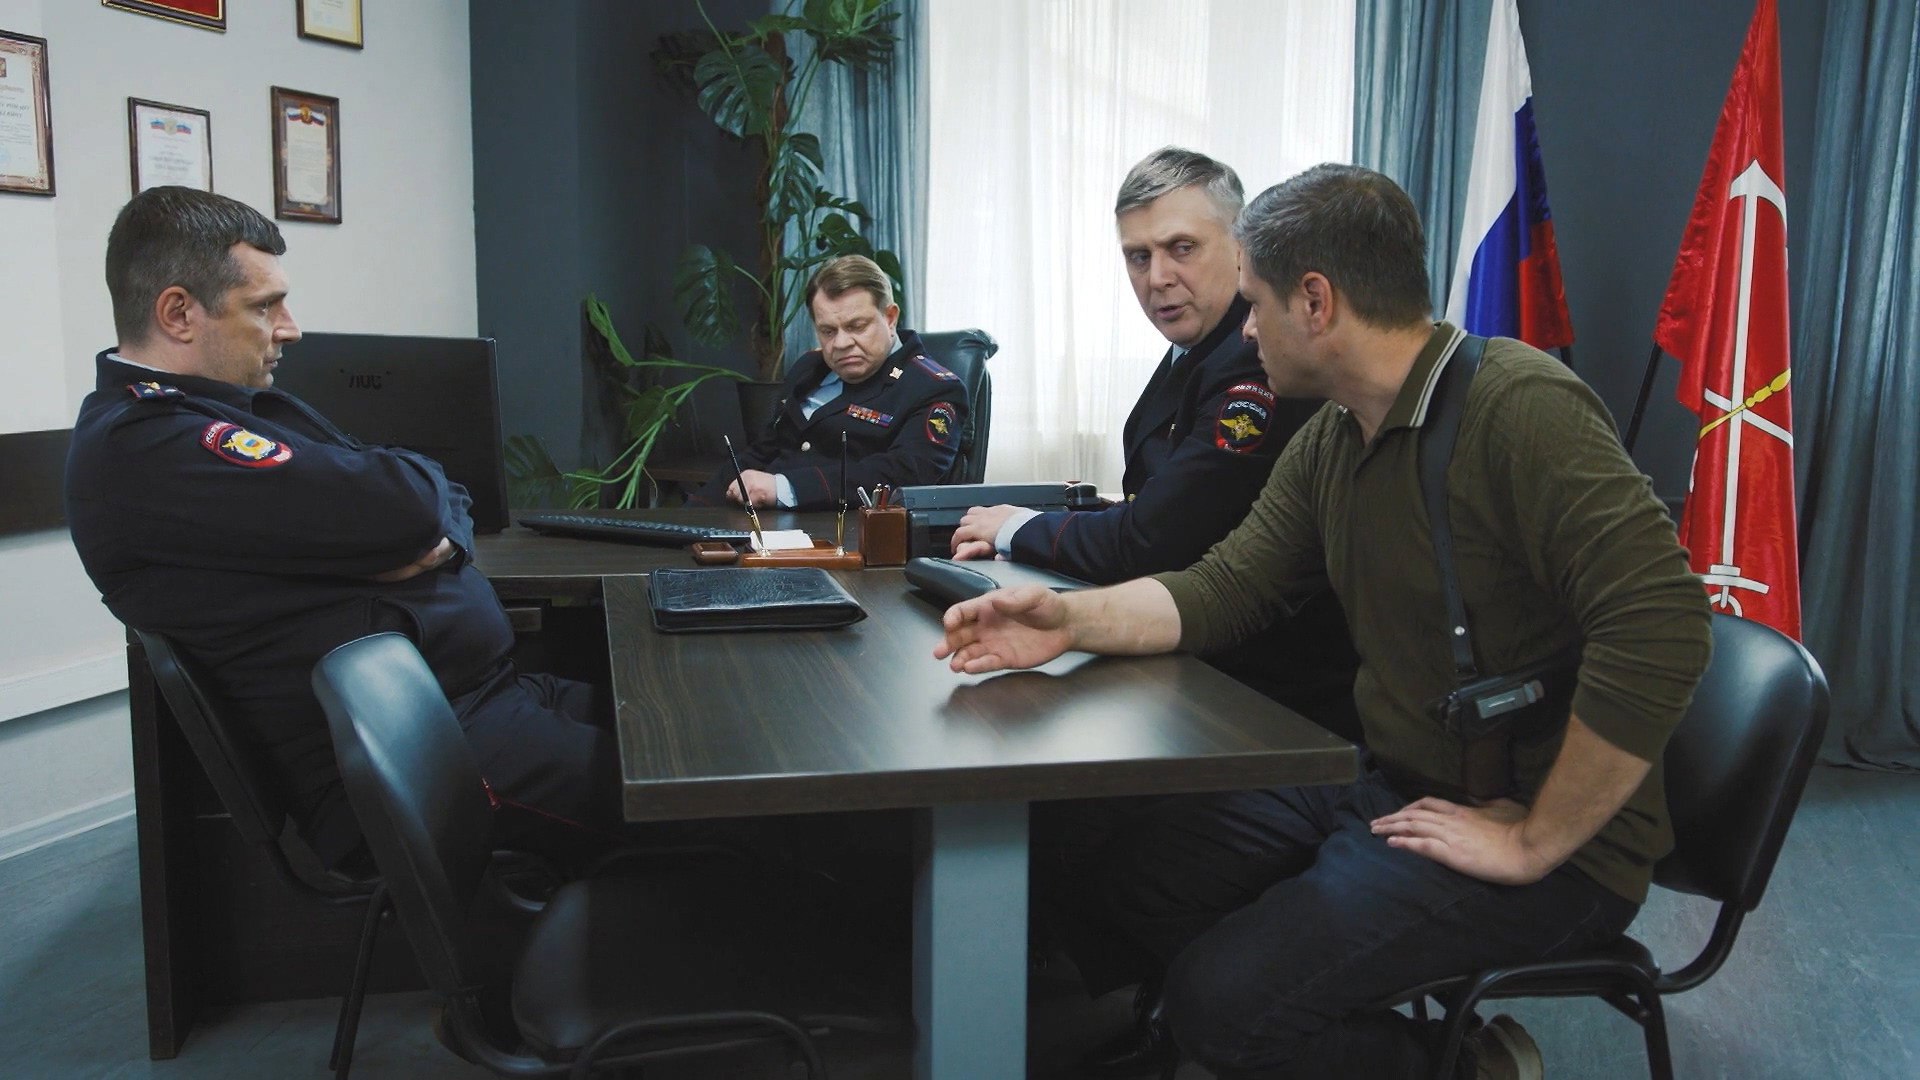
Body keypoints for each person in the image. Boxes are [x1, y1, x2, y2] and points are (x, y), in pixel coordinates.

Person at [934, 165, 1713, 1079]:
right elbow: (1224, 587)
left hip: (1552, 845)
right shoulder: (1337, 437)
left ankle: (1469, 1066)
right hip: (1396, 783)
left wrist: (1534, 838)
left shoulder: (1518, 405)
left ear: (1315, 301)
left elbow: (1662, 623)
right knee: (1136, 884)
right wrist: (1065, 621)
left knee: (1220, 1008)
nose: (1246, 328)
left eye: (1257, 304)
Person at [66, 186, 624, 871]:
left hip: (476, 700)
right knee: (692, 790)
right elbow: (407, 506)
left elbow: (439, 492)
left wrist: (419, 533)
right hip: (413, 756)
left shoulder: (233, 410)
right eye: (264, 306)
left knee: (672, 726)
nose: (290, 328)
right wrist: (407, 523)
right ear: (179, 313)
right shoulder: (149, 448)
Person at [687, 254, 969, 511]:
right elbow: (764, 451)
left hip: (842, 533)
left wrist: (786, 488)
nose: (842, 343)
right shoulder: (809, 368)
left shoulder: (933, 388)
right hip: (761, 526)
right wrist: (691, 515)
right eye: (828, 331)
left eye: (857, 326)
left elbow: (904, 474)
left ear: (890, 317)